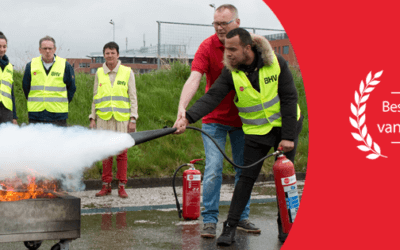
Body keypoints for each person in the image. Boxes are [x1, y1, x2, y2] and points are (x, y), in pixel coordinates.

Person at [174, 28, 303, 246]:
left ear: (248, 48)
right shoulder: (231, 71)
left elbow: (290, 98)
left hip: (286, 128)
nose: (228, 54)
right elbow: (213, 96)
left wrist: (288, 137)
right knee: (245, 180)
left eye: (233, 49)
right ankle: (230, 228)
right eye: (226, 49)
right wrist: (187, 117)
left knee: (285, 180)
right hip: (256, 132)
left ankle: (285, 226)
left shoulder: (276, 62)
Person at [173, 4, 258, 238]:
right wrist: (183, 109)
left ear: (237, 24)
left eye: (224, 23)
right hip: (214, 119)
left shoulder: (249, 47)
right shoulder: (207, 47)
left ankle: (241, 217)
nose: (219, 28)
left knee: (244, 169)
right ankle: (210, 219)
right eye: (216, 23)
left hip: (245, 120)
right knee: (213, 169)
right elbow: (194, 78)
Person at [89, 42, 138, 199]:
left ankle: (122, 186)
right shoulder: (99, 73)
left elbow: (133, 97)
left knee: (121, 153)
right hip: (104, 119)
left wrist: (133, 118)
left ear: (118, 54)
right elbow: (95, 97)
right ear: (104, 55)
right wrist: (93, 118)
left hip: (122, 120)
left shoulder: (127, 72)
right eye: (107, 53)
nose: (109, 55)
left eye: (112, 53)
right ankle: (106, 185)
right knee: (106, 153)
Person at [22, 36, 76, 126]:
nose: (47, 51)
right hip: (36, 115)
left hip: (58, 115)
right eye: (44, 48)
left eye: (50, 48)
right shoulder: (31, 65)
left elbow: (71, 88)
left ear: (54, 49)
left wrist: (61, 102)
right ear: (40, 50)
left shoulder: (65, 65)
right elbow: (26, 87)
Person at [0, 32, 18, 125]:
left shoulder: (9, 67)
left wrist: (14, 116)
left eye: (4, 46)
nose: (2, 49)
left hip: (6, 110)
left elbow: (11, 93)